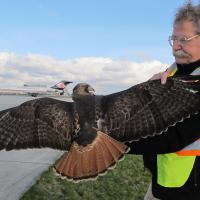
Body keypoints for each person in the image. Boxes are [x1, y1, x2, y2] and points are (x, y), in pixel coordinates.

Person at [128, 2, 200, 200]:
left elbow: (173, 138)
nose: (176, 46)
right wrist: (145, 93)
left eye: (184, 39)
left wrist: (107, 144)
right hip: (163, 178)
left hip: (189, 188)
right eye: (173, 38)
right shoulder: (170, 75)